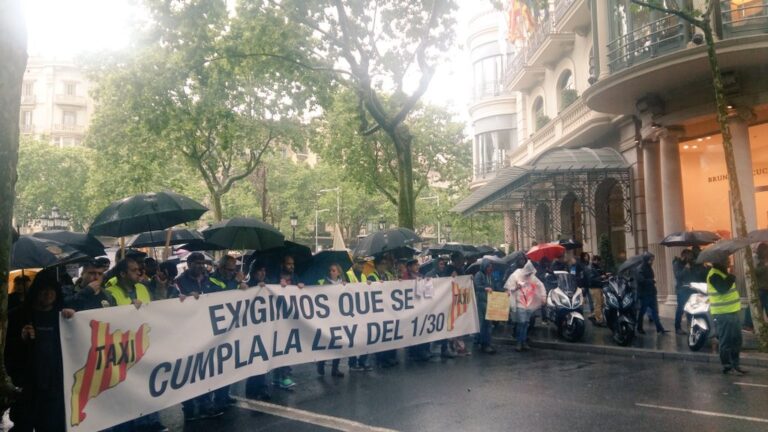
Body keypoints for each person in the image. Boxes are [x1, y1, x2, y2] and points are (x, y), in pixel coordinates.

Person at [105, 259, 171, 431]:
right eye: (134, 270)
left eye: (139, 270)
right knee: (125, 390)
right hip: (122, 351)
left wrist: (162, 287)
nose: (140, 273)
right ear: (122, 274)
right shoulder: (109, 293)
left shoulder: (142, 288)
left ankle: (150, 421)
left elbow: (157, 308)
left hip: (145, 345)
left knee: (146, 384)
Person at [6, 270, 66, 432]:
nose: (48, 294)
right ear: (35, 291)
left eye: (52, 289)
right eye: (43, 289)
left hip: (55, 386)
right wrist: (21, 339)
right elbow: (7, 351)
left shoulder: (64, 316)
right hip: (27, 387)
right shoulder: (18, 316)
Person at [707, 257, 746, 374]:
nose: (729, 261)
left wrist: (729, 275)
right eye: (727, 260)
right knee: (726, 341)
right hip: (723, 313)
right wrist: (732, 276)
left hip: (732, 311)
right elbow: (723, 288)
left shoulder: (723, 272)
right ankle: (727, 366)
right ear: (720, 261)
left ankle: (736, 364)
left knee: (736, 340)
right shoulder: (713, 274)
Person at [506, 260, 546, 352]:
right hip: (520, 303)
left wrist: (544, 296)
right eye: (528, 274)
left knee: (526, 324)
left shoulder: (532, 277)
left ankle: (523, 341)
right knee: (521, 323)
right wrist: (516, 288)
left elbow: (541, 285)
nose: (529, 276)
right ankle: (519, 343)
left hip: (529, 304)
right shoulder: (515, 275)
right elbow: (508, 289)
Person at [315, 264, 346, 377]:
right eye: (330, 270)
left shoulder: (343, 283)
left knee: (338, 342)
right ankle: (321, 364)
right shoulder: (323, 282)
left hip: (339, 317)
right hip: (327, 317)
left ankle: (335, 368)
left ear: (338, 272)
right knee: (326, 341)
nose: (331, 272)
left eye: (334, 270)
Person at [369, 257, 400, 367]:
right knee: (381, 335)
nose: (384, 266)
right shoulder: (372, 276)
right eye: (382, 264)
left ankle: (390, 356)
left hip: (388, 308)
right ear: (377, 265)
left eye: (385, 264)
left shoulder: (387, 275)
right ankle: (381, 359)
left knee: (390, 333)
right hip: (378, 309)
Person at [426, 256, 457, 358]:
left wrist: (453, 278)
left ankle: (445, 349)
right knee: (430, 329)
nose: (443, 266)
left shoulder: (444, 275)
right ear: (436, 265)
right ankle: (427, 350)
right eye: (441, 264)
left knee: (443, 327)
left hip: (443, 306)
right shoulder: (430, 275)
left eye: (444, 264)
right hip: (433, 307)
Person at [346, 257, 373, 371]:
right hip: (351, 312)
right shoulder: (348, 275)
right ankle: (352, 364)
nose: (362, 267)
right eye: (360, 265)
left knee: (365, 337)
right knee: (353, 339)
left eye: (363, 265)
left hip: (362, 311)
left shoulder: (363, 276)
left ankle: (362, 361)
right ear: (354, 264)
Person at [635, 252, 668, 335]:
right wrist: (652, 281)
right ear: (646, 259)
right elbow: (640, 280)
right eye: (651, 260)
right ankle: (639, 327)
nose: (652, 261)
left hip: (651, 292)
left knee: (654, 312)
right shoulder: (640, 268)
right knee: (642, 312)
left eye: (652, 260)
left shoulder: (648, 267)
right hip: (644, 294)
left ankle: (659, 328)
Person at [473, 259, 500, 354]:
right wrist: (485, 288)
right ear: (484, 267)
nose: (490, 268)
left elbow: (495, 286)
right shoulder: (479, 275)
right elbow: (476, 286)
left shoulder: (490, 276)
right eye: (488, 267)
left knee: (488, 324)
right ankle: (484, 343)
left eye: (491, 267)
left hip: (490, 302)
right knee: (484, 324)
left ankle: (485, 342)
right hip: (481, 302)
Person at [673, 249, 697, 335]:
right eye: (688, 256)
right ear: (684, 256)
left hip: (690, 289)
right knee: (681, 309)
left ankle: (690, 327)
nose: (690, 258)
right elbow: (678, 276)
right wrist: (685, 269)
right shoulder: (677, 264)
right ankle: (677, 327)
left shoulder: (690, 264)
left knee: (690, 309)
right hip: (681, 289)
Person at [585, 255, 606, 326]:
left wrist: (605, 275)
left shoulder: (596, 267)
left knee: (601, 303)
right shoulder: (591, 268)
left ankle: (593, 315)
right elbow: (591, 280)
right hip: (594, 288)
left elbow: (599, 274)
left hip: (599, 287)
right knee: (598, 304)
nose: (599, 262)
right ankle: (599, 320)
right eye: (598, 260)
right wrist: (601, 277)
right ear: (595, 260)